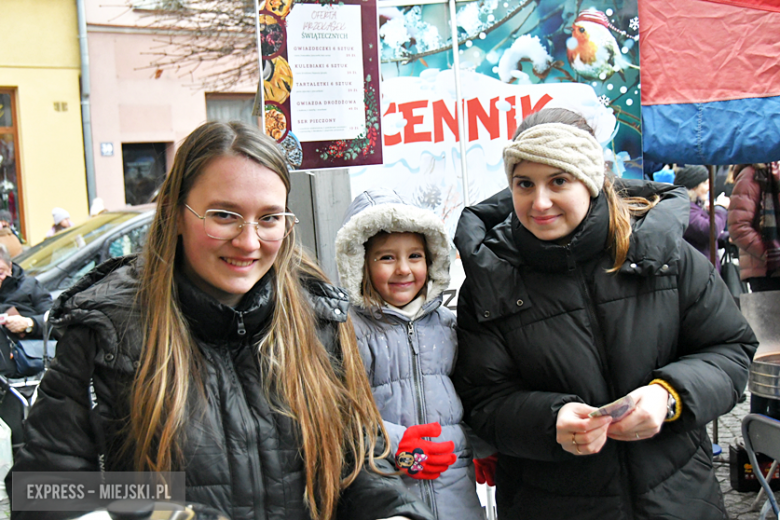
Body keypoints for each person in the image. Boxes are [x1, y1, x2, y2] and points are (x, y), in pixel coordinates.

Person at [7, 121, 433, 520]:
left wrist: (391, 511)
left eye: (269, 218)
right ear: (175, 214)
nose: (249, 242)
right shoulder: (106, 330)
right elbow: (42, 488)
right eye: (224, 215)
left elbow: (358, 461)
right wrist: (163, 511)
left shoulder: (318, 319)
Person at [452, 108, 756, 520]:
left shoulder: (664, 254)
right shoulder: (491, 276)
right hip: (550, 504)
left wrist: (669, 397)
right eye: (524, 184)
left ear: (591, 180)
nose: (539, 202)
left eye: (558, 180)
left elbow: (731, 348)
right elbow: (481, 400)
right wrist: (549, 421)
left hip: (679, 497)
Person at [334, 189, 484, 520]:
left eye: (414, 256)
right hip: (387, 495)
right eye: (387, 257)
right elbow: (338, 410)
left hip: (455, 493)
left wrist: (485, 445)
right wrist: (395, 442)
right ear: (360, 264)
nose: (403, 269)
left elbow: (472, 396)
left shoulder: (448, 326)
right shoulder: (346, 331)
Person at [728, 162, 780, 418]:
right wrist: (772, 256)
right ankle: (761, 435)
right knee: (768, 355)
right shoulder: (753, 173)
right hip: (766, 275)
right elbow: (738, 227)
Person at [0, 244, 53, 378]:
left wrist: (29, 324)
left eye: (0, 272)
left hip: (30, 365)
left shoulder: (30, 286)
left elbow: (56, 318)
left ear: (10, 267)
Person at [673, 164, 729, 270]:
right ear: (694, 186)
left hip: (702, 269)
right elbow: (708, 231)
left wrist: (726, 238)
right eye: (705, 183)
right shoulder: (685, 208)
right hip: (698, 272)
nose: (709, 188)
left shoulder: (693, 206)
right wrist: (720, 208)